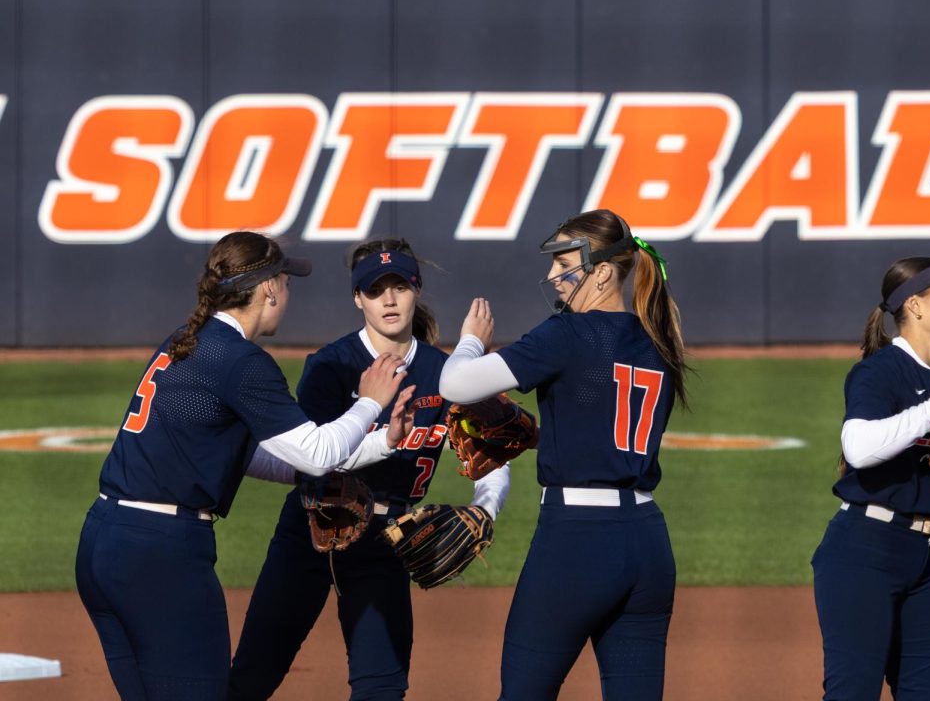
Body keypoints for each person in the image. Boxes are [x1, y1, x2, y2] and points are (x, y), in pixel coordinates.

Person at [75, 231, 415, 701]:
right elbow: (317, 451)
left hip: (104, 542)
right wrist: (370, 404)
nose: (288, 294)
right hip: (161, 556)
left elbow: (271, 458)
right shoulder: (240, 361)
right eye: (286, 282)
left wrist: (384, 442)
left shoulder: (187, 340)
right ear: (269, 289)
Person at [228, 238, 511, 700]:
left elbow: (488, 460)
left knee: (382, 687)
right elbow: (310, 456)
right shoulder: (331, 365)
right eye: (375, 289)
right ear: (357, 298)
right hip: (309, 533)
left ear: (416, 290)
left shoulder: (447, 374)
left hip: (387, 541)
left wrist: (486, 510)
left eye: (398, 286)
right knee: (254, 672)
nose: (389, 299)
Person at [438, 208, 686, 701]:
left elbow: (455, 383)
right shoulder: (659, 339)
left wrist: (471, 339)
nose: (552, 276)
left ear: (601, 271)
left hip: (576, 542)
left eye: (564, 264)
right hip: (648, 543)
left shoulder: (568, 334)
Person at [811, 256, 930, 700]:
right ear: (914, 305)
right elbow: (858, 447)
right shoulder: (878, 372)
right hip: (863, 554)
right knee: (853, 692)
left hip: (923, 560)